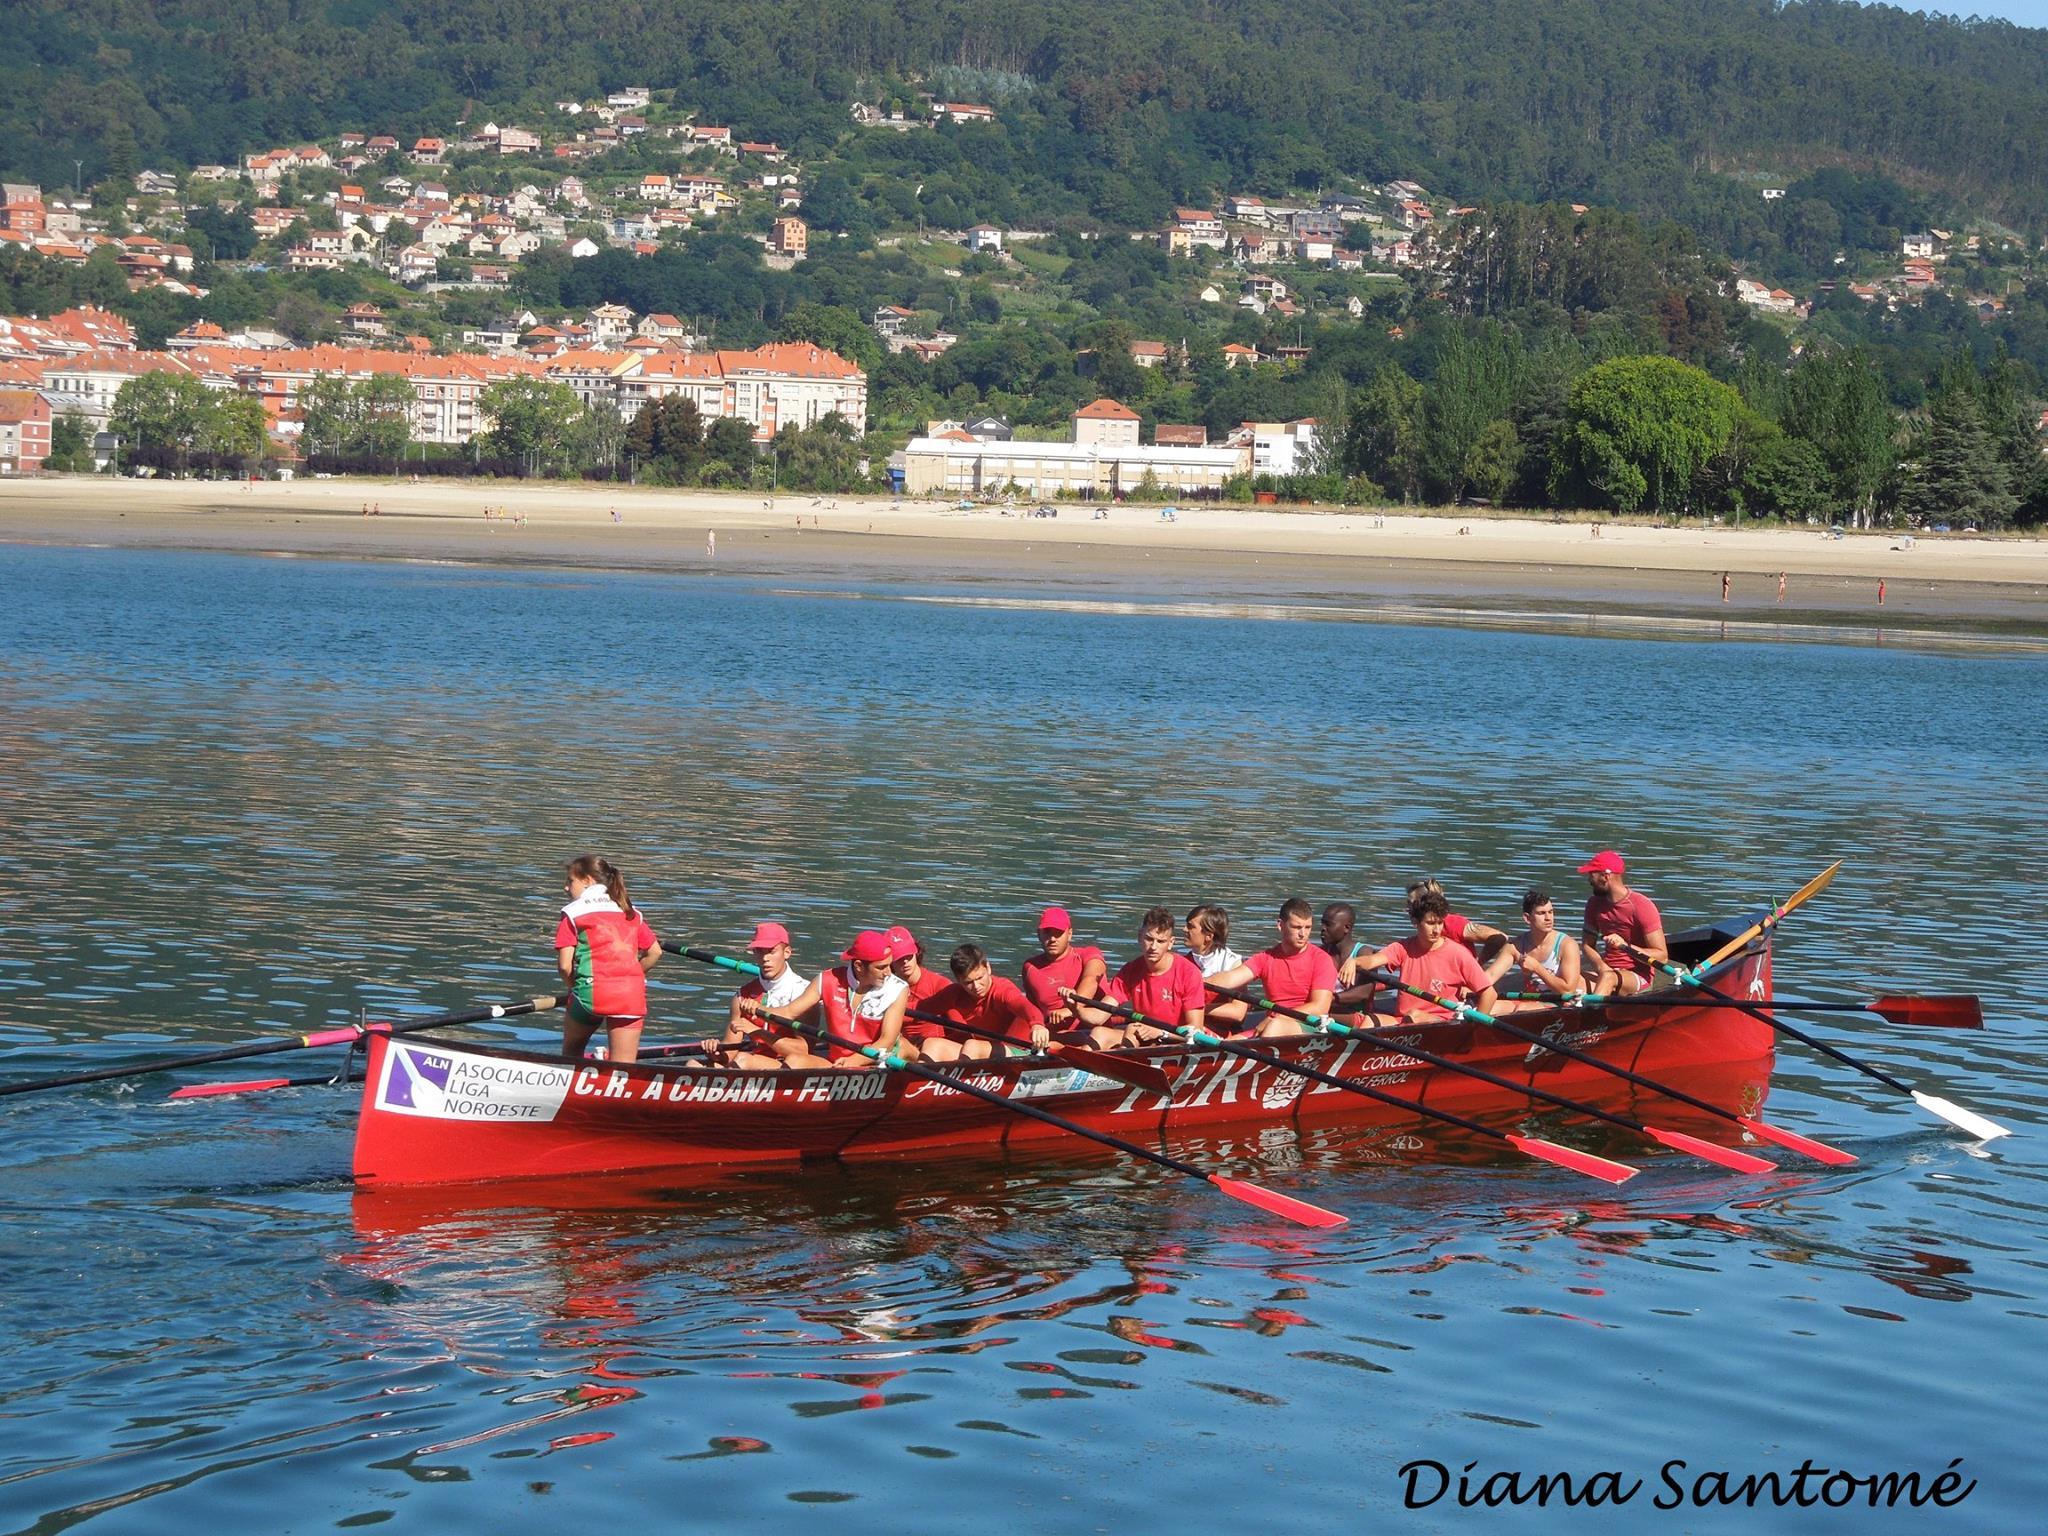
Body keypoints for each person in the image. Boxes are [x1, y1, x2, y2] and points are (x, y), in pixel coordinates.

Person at [554, 855, 661, 1064]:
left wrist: (573, 988)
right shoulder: (629, 911)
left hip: (591, 992)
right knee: (623, 1068)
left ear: (587, 880)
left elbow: (564, 967)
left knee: (571, 1053)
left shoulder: (572, 912)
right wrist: (630, 975)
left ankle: (571, 1073)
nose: (566, 887)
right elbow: (655, 952)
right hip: (631, 994)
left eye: (570, 881)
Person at [1350, 886, 1499, 1022]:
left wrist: (1474, 1028)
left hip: (1442, 1023)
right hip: (1404, 1020)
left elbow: (1489, 994)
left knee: (1415, 1015)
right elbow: (1374, 960)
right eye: (1430, 923)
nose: (1437, 930)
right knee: (1368, 1021)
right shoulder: (1403, 948)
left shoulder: (1458, 954)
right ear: (1415, 922)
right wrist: (1354, 962)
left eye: (1440, 923)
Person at [1068, 907, 1207, 1045]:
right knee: (1099, 1032)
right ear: (1140, 937)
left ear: (1170, 943)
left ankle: (1121, 1055)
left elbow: (1195, 1031)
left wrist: (1160, 1033)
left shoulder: (1189, 973)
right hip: (1141, 1035)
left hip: (1173, 1040)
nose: (1153, 947)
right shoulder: (1131, 970)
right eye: (1149, 939)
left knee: (1130, 1031)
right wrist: (1075, 1008)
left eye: (1160, 941)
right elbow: (1099, 1017)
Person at [1203, 898, 1339, 1037]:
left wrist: (1278, 1018)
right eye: (1296, 927)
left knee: (1275, 1026)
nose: (1303, 934)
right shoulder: (1266, 958)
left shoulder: (1321, 960)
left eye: (1307, 927)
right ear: (1280, 925)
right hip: (1273, 1025)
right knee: (1227, 1044)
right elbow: (1230, 978)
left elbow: (1320, 1007)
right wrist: (1196, 983)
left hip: (1309, 1025)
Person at [722, 921, 828, 1070]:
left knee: (743, 1060)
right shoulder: (742, 996)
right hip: (755, 1060)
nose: (765, 958)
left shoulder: (803, 993)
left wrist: (758, 1032)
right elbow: (728, 1053)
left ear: (787, 953)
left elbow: (803, 1051)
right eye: (760, 951)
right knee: (694, 1064)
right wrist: (715, 1052)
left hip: (792, 1064)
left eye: (771, 951)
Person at [921, 943, 1047, 1060]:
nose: (976, 986)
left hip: (1022, 1052)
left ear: (988, 968)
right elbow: (920, 1009)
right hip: (982, 1052)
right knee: (932, 1044)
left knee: (972, 1046)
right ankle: (918, 1076)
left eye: (980, 978)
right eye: (968, 982)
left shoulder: (1003, 990)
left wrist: (1037, 1025)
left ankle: (964, 1074)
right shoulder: (955, 993)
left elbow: (1025, 1006)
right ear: (958, 980)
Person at [818, 930, 915, 1067]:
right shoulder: (829, 978)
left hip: (878, 1058)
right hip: (839, 1060)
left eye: (889, 965)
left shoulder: (898, 987)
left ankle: (908, 1051)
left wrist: (853, 1061)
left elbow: (887, 1042)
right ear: (858, 966)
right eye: (881, 967)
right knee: (796, 1060)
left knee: (909, 1045)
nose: (888, 973)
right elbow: (790, 1012)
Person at [1578, 850, 1667, 996]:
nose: (1589, 880)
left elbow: (1662, 956)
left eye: (1591, 874)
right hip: (1608, 971)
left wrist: (1625, 946)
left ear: (1605, 876)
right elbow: (1587, 945)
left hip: (1637, 975)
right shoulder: (1594, 904)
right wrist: (1602, 967)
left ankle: (1592, 1009)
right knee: (1571, 979)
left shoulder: (1641, 906)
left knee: (1608, 978)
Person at [1019, 906, 1106, 1034]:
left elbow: (1091, 980)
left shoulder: (1089, 955)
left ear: (1069, 934)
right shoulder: (1030, 967)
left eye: (1058, 933)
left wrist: (1070, 1009)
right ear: (1039, 935)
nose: (1052, 939)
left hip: (1091, 1033)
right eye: (1047, 932)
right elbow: (1033, 1010)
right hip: (1052, 1035)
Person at [1501, 888, 1583, 1004]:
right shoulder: (1516, 945)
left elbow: (1568, 990)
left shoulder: (1567, 945)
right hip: (1531, 1001)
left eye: (1551, 912)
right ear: (1527, 918)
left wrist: (1537, 968)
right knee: (1495, 1006)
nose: (1548, 918)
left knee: (1522, 1009)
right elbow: (1491, 975)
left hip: (1559, 1002)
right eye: (1541, 913)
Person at [885, 924, 956, 1056]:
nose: (905, 962)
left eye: (908, 955)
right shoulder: (883, 988)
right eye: (899, 958)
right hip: (901, 1048)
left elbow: (960, 1030)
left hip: (933, 1052)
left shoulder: (940, 985)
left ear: (916, 952)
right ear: (889, 961)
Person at [1183, 903, 1247, 1028]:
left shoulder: (1232, 963)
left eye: (1190, 926)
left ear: (1209, 936)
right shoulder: (1182, 962)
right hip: (1189, 1027)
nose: (1184, 929)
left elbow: (1238, 1012)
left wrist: (1195, 1009)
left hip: (1220, 1030)